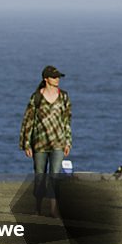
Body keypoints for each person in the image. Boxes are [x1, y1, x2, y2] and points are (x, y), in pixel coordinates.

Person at [19, 65, 71, 216]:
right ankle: (38, 207)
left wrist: (68, 141)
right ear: (45, 79)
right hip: (39, 144)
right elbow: (28, 121)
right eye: (54, 77)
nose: (57, 80)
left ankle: (54, 209)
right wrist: (26, 144)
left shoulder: (64, 97)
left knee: (55, 175)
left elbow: (67, 120)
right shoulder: (36, 97)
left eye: (58, 77)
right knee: (40, 175)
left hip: (58, 143)